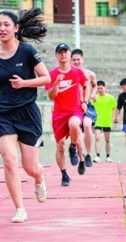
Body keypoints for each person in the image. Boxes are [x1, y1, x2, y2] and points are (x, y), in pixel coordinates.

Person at [0, 9, 50, 223]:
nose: (2, 28)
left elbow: (46, 78)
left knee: (30, 168)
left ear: (16, 28)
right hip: (4, 114)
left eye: (6, 24)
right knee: (9, 160)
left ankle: (39, 177)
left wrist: (25, 83)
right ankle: (20, 208)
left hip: (27, 113)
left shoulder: (27, 52)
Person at [45, 43, 89, 187]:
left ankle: (73, 147)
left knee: (75, 124)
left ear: (70, 54)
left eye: (66, 52)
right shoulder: (51, 74)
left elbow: (86, 85)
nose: (63, 55)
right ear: (56, 56)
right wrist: (56, 83)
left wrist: (85, 102)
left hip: (74, 110)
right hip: (59, 113)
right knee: (59, 146)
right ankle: (64, 174)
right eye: (60, 52)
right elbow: (51, 96)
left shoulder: (77, 72)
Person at [70, 48, 98, 167]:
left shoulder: (90, 74)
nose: (76, 62)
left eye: (78, 60)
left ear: (83, 60)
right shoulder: (69, 74)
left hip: (87, 105)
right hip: (73, 106)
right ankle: (80, 156)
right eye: (74, 60)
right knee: (77, 132)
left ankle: (88, 155)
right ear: (71, 61)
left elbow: (95, 86)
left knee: (87, 126)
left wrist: (92, 94)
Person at [92, 80, 117, 163]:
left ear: (104, 88)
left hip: (107, 121)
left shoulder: (110, 98)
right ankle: (98, 156)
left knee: (107, 139)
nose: (99, 90)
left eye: (101, 88)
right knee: (97, 138)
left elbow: (114, 108)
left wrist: (113, 118)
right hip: (98, 121)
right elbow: (91, 107)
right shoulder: (95, 97)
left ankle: (108, 156)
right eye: (98, 88)